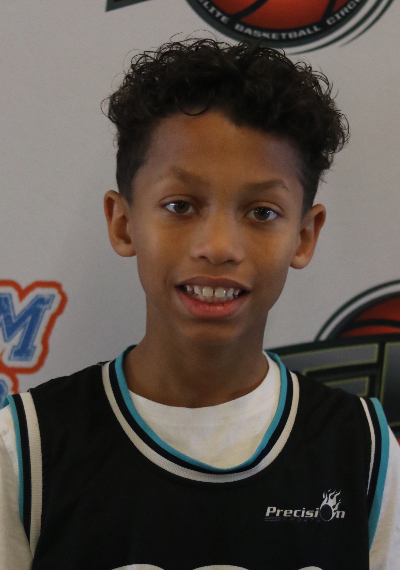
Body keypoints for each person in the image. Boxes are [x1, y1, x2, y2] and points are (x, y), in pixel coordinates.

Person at [0, 38, 399, 570]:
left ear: (304, 236)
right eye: (180, 205)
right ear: (123, 223)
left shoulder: (363, 451)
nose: (218, 246)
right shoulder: (27, 449)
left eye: (261, 212)